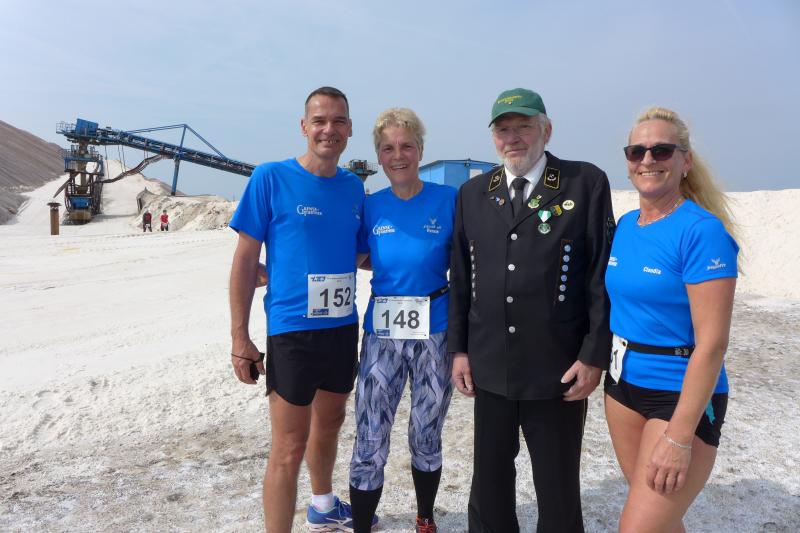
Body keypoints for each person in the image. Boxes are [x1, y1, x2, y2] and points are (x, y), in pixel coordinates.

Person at [448, 88, 615, 533]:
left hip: (557, 367)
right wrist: (458, 350)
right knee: (489, 482)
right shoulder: (473, 193)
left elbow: (600, 275)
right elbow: (461, 277)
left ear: (547, 130)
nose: (513, 138)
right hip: (490, 364)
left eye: (524, 126)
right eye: (503, 129)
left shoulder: (584, 183)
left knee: (557, 485)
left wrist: (593, 354)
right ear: (493, 138)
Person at [228, 86, 375, 533]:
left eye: (338, 121)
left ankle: (323, 506)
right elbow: (245, 260)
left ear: (350, 128)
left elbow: (356, 254)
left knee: (330, 423)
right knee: (288, 446)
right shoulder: (270, 178)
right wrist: (239, 337)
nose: (329, 129)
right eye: (320, 120)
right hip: (292, 332)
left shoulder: (353, 187)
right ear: (304, 126)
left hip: (342, 328)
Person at [604, 107, 738, 532]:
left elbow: (713, 344)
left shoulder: (701, 231)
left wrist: (679, 437)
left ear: (686, 161)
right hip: (622, 388)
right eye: (637, 151)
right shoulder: (626, 225)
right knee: (660, 521)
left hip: (679, 395)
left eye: (661, 150)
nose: (647, 159)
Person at [348, 109, 456, 533]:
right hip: (383, 334)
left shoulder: (449, 200)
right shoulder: (371, 206)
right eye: (388, 148)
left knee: (426, 432)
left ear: (421, 150)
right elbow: (355, 256)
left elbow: (470, 258)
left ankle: (425, 517)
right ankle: (361, 526)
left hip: (436, 330)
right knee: (370, 435)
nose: (398, 156)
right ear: (378, 156)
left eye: (406, 146)